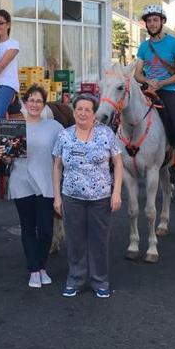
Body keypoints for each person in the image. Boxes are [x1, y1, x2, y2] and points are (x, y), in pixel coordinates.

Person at [51, 94, 122, 299]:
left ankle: (100, 281)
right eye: (79, 109)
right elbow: (57, 167)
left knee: (99, 241)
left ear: (94, 113)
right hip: (71, 197)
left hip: (100, 198)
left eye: (87, 109)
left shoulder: (106, 134)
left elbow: (117, 163)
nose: (82, 113)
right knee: (75, 241)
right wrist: (57, 197)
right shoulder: (64, 135)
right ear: (74, 112)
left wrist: (116, 192)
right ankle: (75, 279)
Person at [0, 85, 63, 288]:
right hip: (21, 181)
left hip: (46, 182)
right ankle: (35, 270)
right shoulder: (14, 126)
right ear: (25, 103)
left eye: (39, 101)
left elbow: (61, 157)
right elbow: (9, 161)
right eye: (31, 100)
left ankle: (40, 265)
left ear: (44, 104)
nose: (34, 104)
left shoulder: (54, 127)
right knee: (27, 227)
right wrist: (2, 155)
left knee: (45, 229)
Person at [133, 4, 175, 183]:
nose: (152, 23)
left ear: (162, 21)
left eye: (155, 20)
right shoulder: (143, 46)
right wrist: (148, 81)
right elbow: (137, 74)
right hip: (148, 91)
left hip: (169, 91)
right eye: (149, 21)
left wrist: (163, 83)